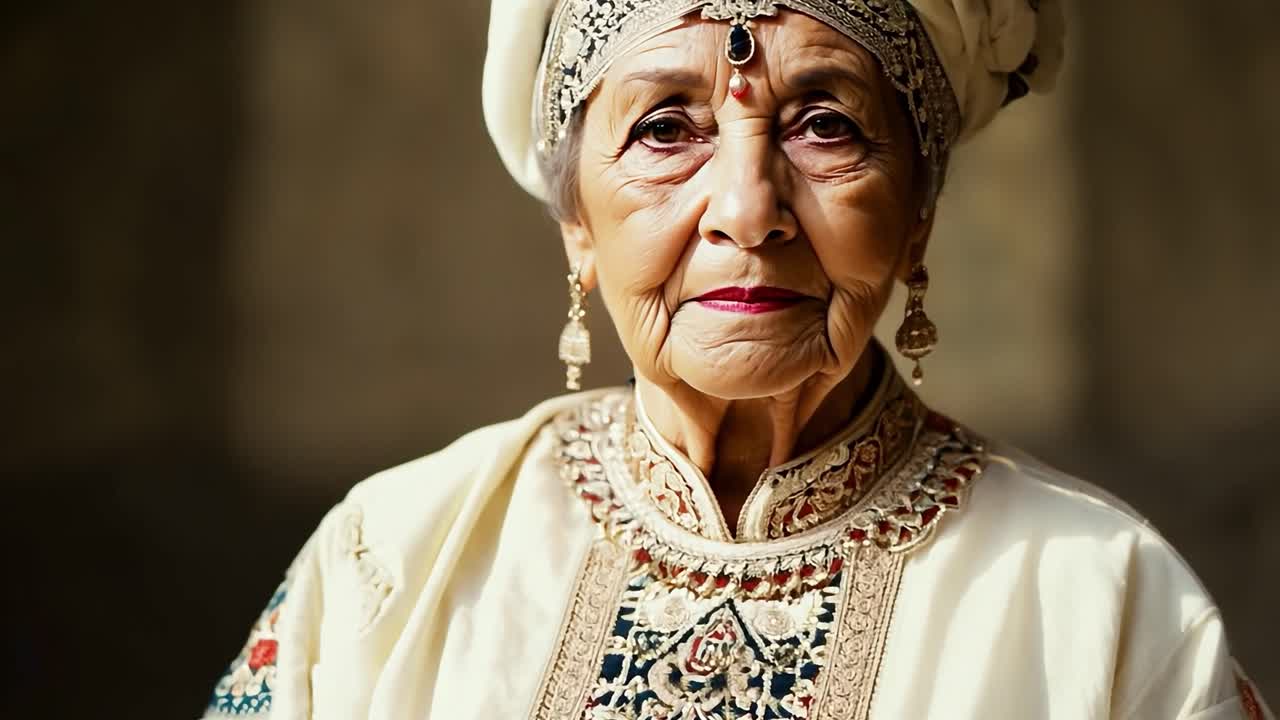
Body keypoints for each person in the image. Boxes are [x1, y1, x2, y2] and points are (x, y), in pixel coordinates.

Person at [204, 0, 1273, 718]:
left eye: (824, 127)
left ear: (917, 215)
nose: (747, 211)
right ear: (576, 221)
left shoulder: (1102, 597)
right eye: (666, 130)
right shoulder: (388, 561)